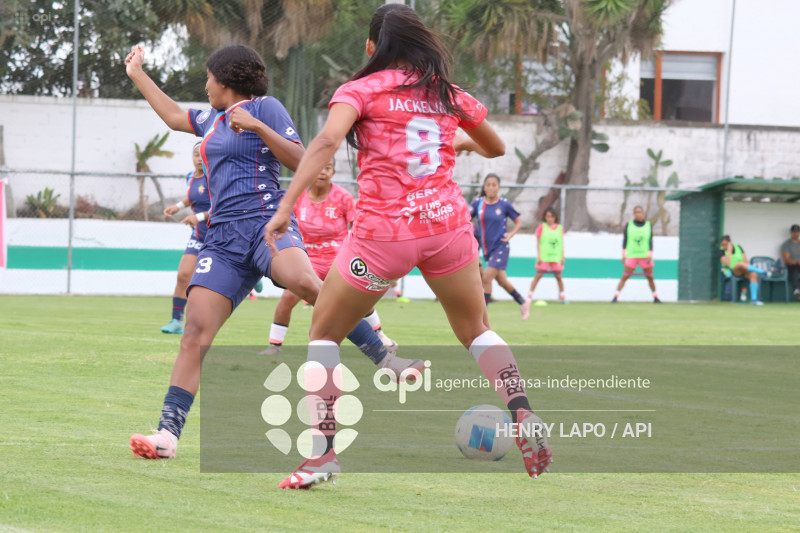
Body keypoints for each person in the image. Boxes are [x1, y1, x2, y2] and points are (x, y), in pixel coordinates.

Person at [265, 3, 552, 489]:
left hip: (384, 238)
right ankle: (523, 411)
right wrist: (454, 145)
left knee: (324, 334)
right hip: (447, 231)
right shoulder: (445, 92)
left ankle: (322, 455)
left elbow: (326, 143)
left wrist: (285, 206)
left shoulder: (360, 89)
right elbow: (496, 148)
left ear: (373, 47)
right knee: (476, 329)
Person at [124, 43, 420, 461]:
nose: (205, 85)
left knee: (305, 283)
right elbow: (174, 115)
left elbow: (306, 161)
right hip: (222, 240)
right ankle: (167, 435)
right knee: (195, 332)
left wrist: (259, 128)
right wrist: (137, 73)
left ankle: (386, 360)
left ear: (226, 80)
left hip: (267, 224)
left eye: (209, 77)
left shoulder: (266, 108)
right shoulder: (209, 119)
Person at [263, 158, 398, 354]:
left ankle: (380, 335)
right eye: (318, 167)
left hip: (339, 258)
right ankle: (274, 347)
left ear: (333, 173)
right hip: (309, 259)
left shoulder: (342, 197)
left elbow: (357, 227)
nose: (322, 172)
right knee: (287, 298)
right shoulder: (299, 197)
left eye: (327, 168)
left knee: (356, 297)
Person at [160, 143, 210, 334]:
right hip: (199, 234)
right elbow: (192, 197)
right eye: (195, 155)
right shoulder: (190, 176)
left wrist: (197, 217)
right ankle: (176, 321)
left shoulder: (216, 177)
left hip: (220, 235)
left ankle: (250, 270)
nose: (199, 158)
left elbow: (223, 207)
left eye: (202, 155)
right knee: (183, 275)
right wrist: (178, 206)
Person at [470, 174, 530, 319]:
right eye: (488, 184)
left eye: (494, 184)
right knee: (502, 281)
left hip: (501, 247)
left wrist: (510, 235)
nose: (491, 187)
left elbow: (518, 222)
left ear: (499, 187)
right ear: (484, 187)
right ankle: (522, 301)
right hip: (487, 249)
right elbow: (465, 218)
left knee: (486, 279)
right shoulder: (478, 203)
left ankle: (481, 317)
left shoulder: (504, 204)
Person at [612, 206, 661, 303]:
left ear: (643, 213)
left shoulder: (648, 225)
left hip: (644, 256)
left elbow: (650, 241)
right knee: (625, 276)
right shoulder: (629, 225)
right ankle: (615, 297)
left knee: (650, 277)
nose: (638, 214)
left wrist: (650, 254)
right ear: (634, 214)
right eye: (636, 212)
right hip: (631, 255)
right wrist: (624, 254)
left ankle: (655, 297)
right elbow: (625, 240)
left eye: (640, 212)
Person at [527, 208, 566, 303]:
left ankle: (563, 297)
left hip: (556, 257)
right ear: (545, 217)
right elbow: (538, 243)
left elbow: (561, 243)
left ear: (555, 217)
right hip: (544, 257)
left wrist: (562, 256)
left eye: (551, 216)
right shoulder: (541, 227)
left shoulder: (560, 228)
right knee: (538, 276)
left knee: (559, 277)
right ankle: (529, 296)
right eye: (547, 216)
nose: (549, 219)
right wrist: (539, 256)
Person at [719, 235, 765, 305]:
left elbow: (746, 261)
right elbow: (728, 263)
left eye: (725, 245)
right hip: (732, 271)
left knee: (753, 274)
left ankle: (754, 300)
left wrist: (745, 268)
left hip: (743, 269)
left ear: (730, 243)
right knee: (739, 263)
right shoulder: (721, 251)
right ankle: (762, 271)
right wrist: (729, 251)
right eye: (722, 245)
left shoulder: (738, 247)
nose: (723, 246)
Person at [780, 224, 800, 301]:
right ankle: (796, 291)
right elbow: (787, 259)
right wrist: (797, 262)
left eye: (798, 231)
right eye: (794, 231)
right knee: (794, 269)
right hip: (792, 265)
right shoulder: (786, 244)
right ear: (791, 232)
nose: (796, 233)